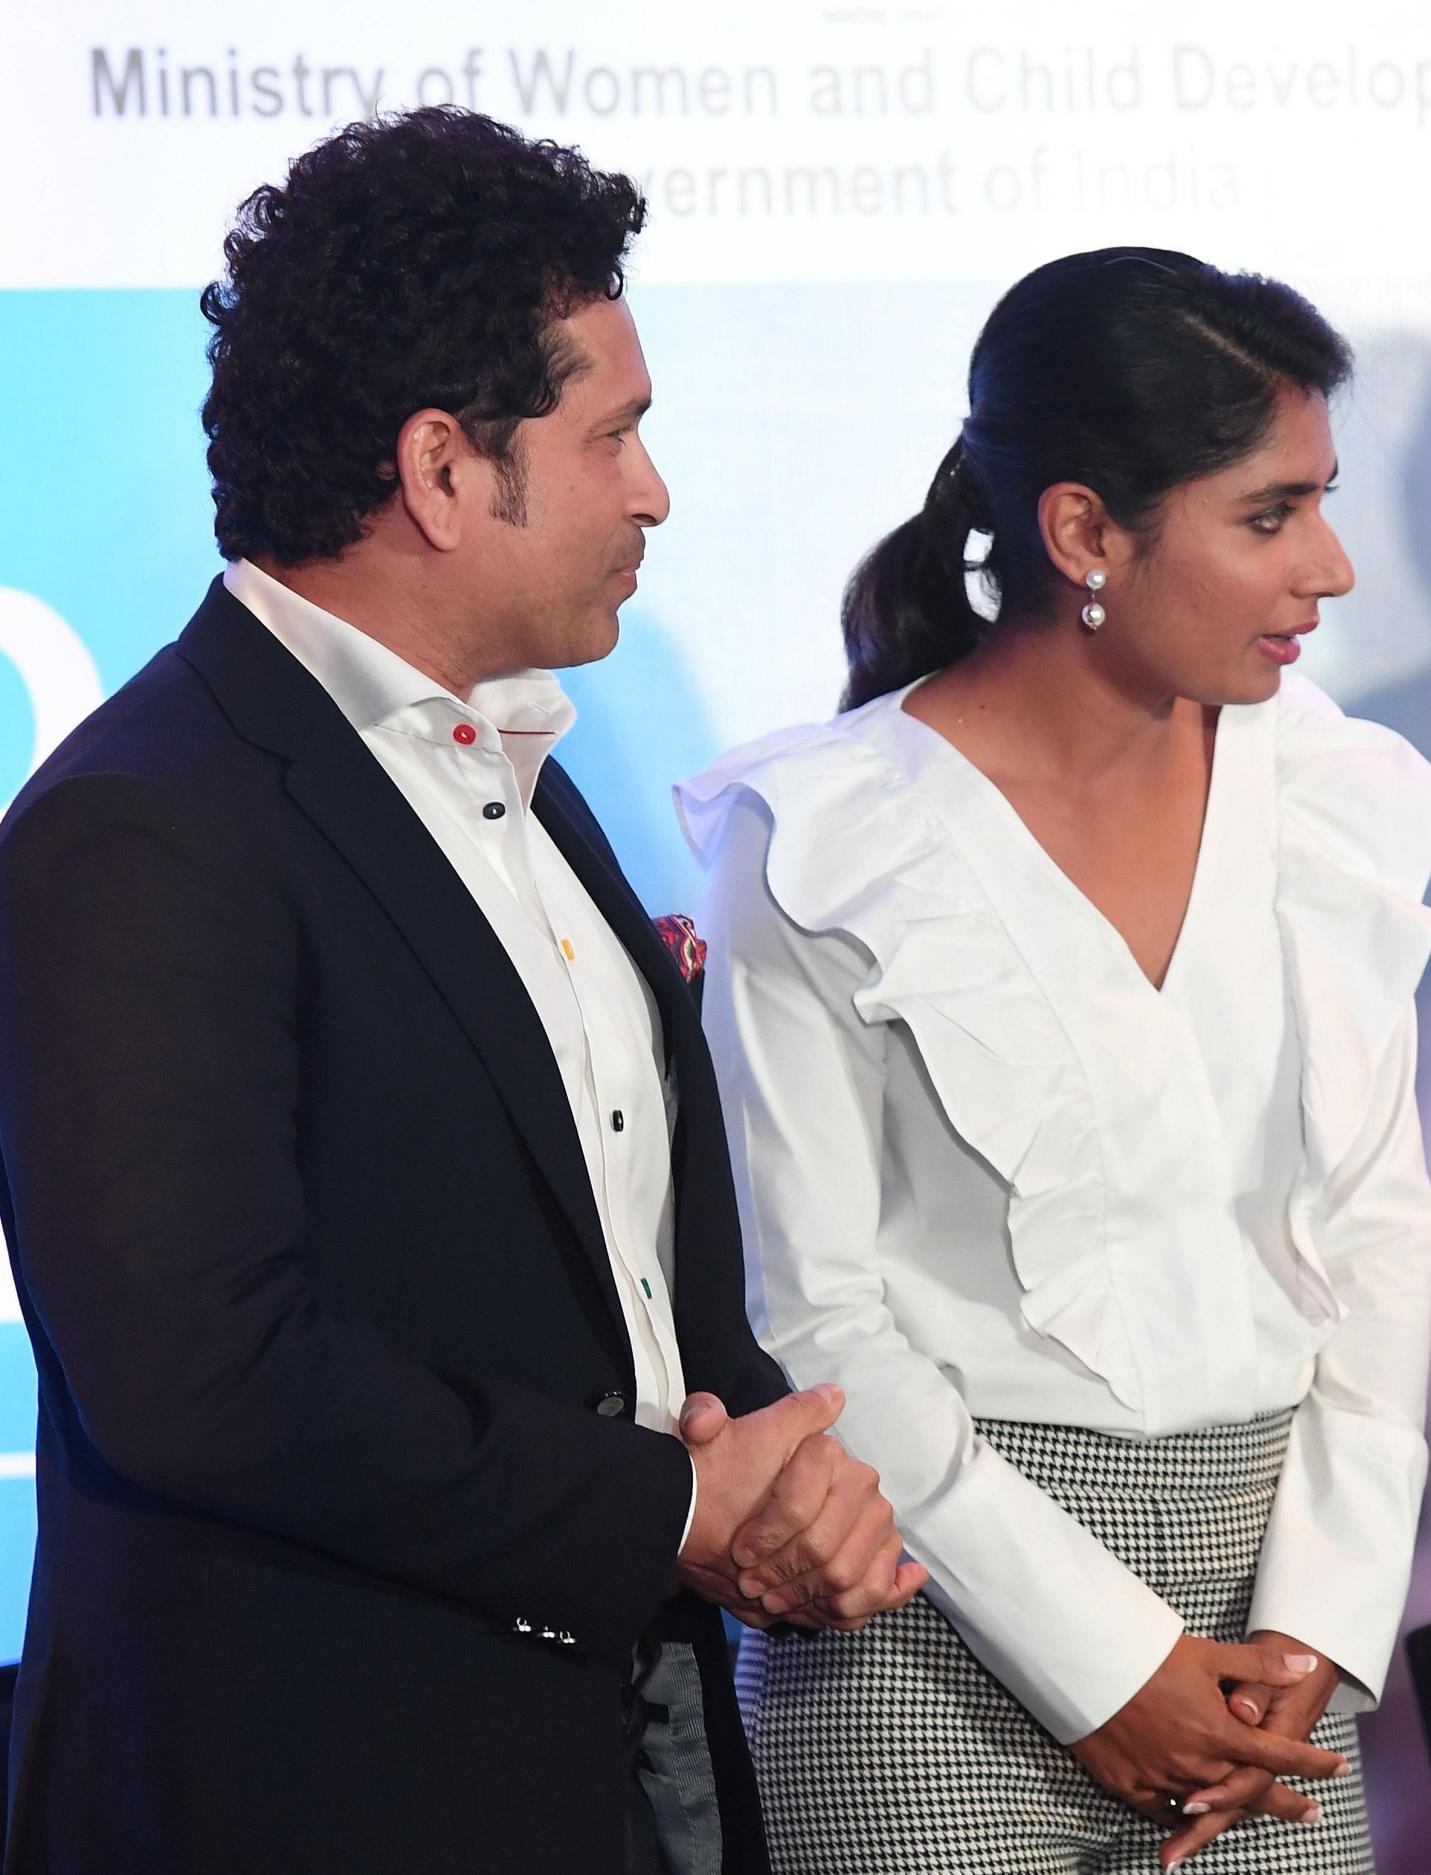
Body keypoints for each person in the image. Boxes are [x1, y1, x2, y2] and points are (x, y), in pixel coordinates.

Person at [0, 108, 923, 1875]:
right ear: (442, 469)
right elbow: (200, 1368)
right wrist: (671, 1508)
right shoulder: (142, 823)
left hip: (610, 1746)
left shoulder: (514, 770)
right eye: (616, 434)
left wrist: (770, 1501)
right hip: (308, 1787)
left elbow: (607, 1275)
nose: (655, 491)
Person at [677, 247, 1431, 1873]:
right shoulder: (825, 840)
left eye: (1323, 500)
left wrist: (1317, 1622)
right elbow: (816, 1317)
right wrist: (1108, 1662)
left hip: (1267, 1650)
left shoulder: (1332, 798)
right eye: (1270, 515)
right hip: (922, 1626)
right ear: (1086, 531)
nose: (1332, 566)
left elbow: (1377, 1231)